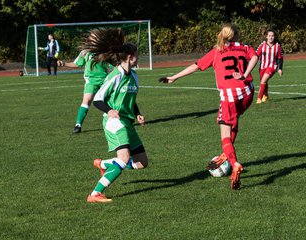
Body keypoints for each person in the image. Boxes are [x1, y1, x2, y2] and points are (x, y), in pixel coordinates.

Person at [160, 23, 258, 190]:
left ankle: (234, 163)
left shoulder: (216, 51)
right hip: (247, 91)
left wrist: (174, 77)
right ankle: (224, 155)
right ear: (235, 35)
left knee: (225, 131)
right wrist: (245, 75)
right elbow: (255, 57)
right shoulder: (244, 47)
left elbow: (196, 66)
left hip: (229, 95)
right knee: (233, 120)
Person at [83, 28, 149, 203]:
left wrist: (138, 113)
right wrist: (109, 110)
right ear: (129, 57)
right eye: (137, 54)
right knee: (124, 158)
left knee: (142, 162)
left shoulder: (134, 76)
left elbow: (130, 98)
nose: (138, 57)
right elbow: (98, 99)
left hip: (128, 123)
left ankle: (104, 164)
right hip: (114, 122)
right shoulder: (115, 75)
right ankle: (95, 193)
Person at [58, 50, 113, 134]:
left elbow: (113, 65)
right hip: (91, 80)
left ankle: (116, 121)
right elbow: (77, 64)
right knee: (86, 100)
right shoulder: (85, 52)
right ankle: (78, 125)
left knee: (110, 102)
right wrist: (64, 64)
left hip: (105, 79)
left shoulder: (106, 49)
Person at [255, 29, 284, 103]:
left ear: (274, 37)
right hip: (262, 67)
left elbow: (280, 58)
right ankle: (266, 95)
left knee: (264, 80)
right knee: (264, 81)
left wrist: (280, 68)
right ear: (266, 37)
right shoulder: (262, 45)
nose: (271, 37)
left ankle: (259, 98)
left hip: (272, 66)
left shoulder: (277, 46)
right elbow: (256, 55)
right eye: (269, 36)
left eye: (272, 36)